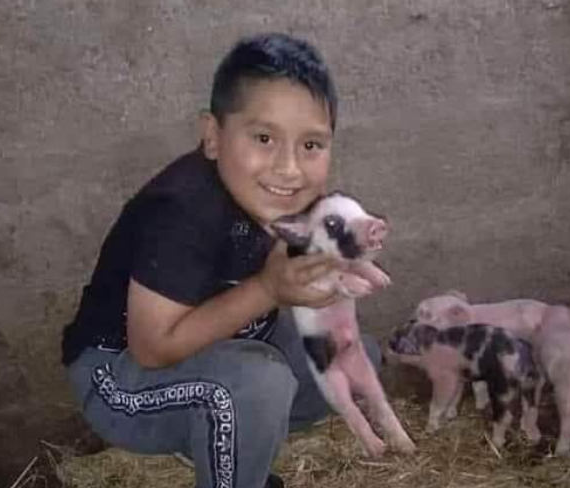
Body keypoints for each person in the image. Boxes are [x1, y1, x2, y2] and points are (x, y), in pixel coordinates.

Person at [61, 32, 382, 488]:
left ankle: (219, 428)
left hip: (214, 349)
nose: (289, 168)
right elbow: (152, 349)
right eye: (265, 138)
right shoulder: (182, 211)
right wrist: (269, 289)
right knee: (257, 384)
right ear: (212, 137)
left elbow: (315, 260)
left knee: (351, 358)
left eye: (311, 145)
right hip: (120, 381)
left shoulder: (281, 198)